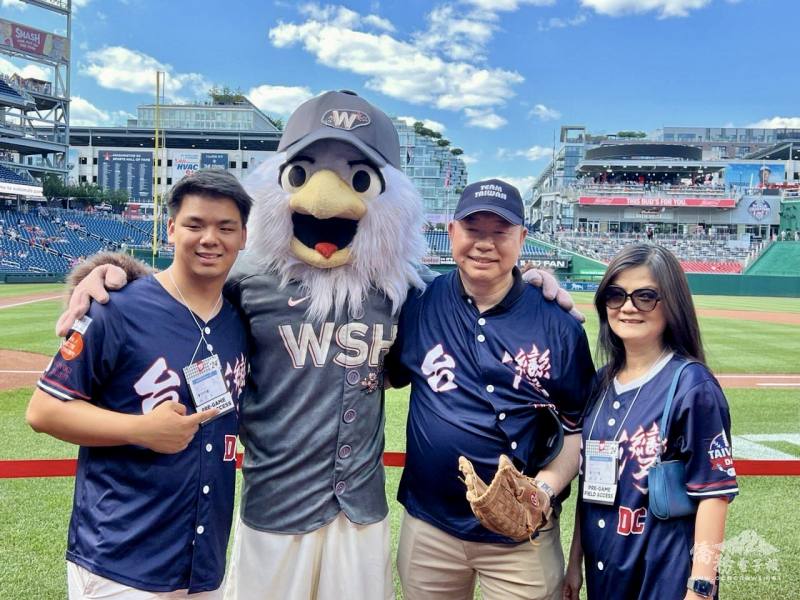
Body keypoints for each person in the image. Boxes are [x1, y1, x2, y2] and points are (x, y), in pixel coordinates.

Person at [26, 169, 252, 599]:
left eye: (225, 227)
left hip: (203, 562)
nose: (210, 238)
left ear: (243, 237)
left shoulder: (239, 321)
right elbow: (43, 411)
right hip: (120, 559)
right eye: (194, 224)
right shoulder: (116, 308)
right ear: (170, 229)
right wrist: (140, 430)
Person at [384, 179, 596, 600]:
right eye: (473, 229)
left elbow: (578, 429)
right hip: (430, 528)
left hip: (522, 540)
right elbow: (383, 375)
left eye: (499, 232)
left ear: (522, 239)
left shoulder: (559, 325)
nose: (484, 243)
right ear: (451, 233)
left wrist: (544, 490)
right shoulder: (418, 303)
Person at [562, 243, 738, 600]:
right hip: (605, 574)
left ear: (671, 304)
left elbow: (714, 496)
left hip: (666, 580)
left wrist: (701, 587)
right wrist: (573, 564)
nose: (627, 307)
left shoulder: (692, 386)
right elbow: (591, 488)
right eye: (616, 295)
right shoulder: (600, 383)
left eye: (645, 296)